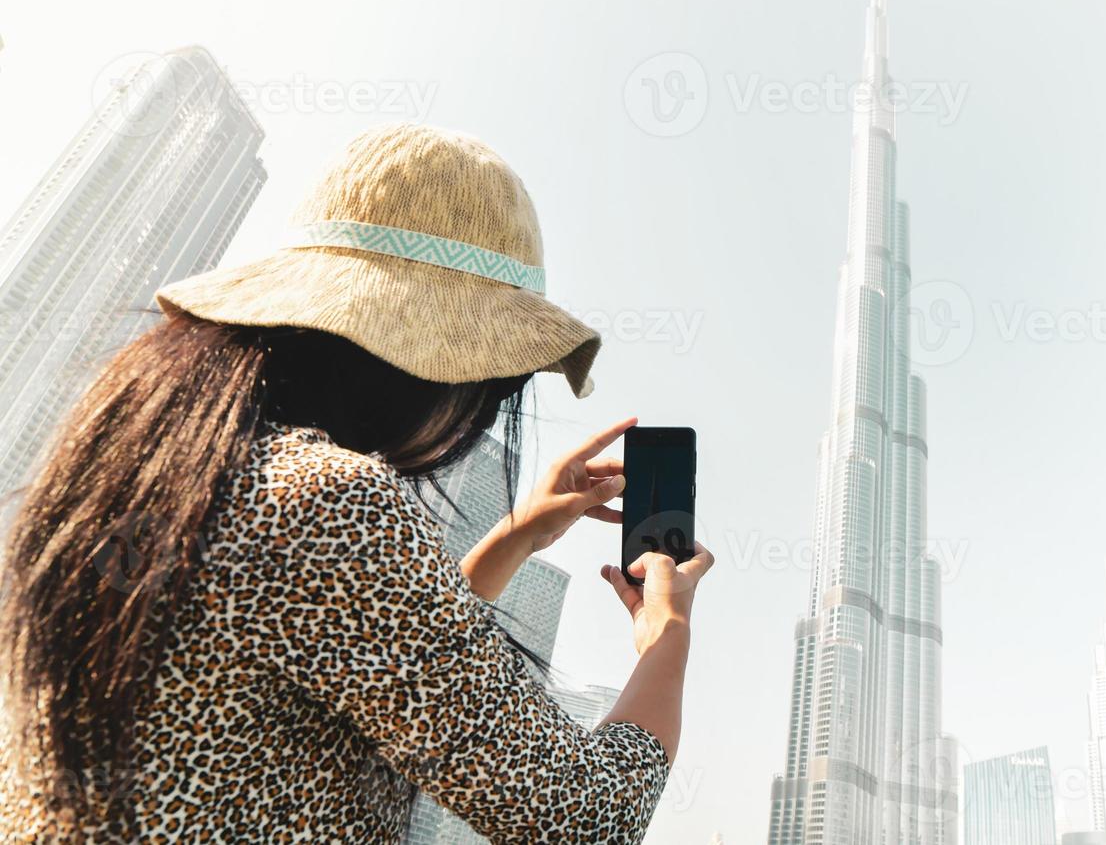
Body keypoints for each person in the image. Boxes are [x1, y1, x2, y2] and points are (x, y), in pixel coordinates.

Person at [0, 123, 713, 842]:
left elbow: (363, 641)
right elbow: (584, 816)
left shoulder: (146, 461)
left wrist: (519, 534)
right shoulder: (328, 501)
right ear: (424, 366)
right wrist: (668, 632)